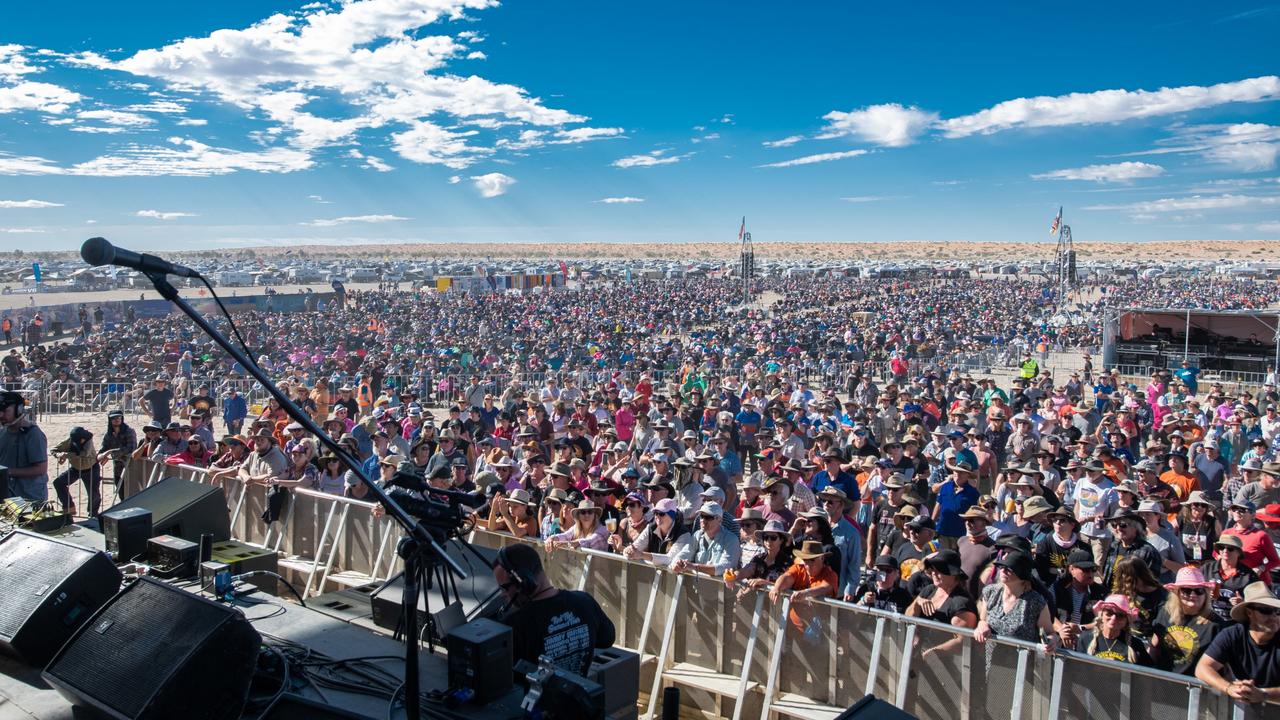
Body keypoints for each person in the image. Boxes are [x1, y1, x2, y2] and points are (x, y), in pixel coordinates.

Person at [493, 543, 616, 677]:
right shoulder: (585, 601)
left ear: (523, 581)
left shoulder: (514, 625)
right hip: (575, 696)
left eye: (505, 587)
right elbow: (607, 639)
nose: (502, 594)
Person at [1196, 581, 1280, 713]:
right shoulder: (1233, 634)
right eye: (1266, 610)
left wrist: (1263, 694)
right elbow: (1203, 668)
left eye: (1277, 611)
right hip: (1243, 711)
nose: (1274, 616)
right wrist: (1229, 688)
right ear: (1249, 613)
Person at [974, 551, 1056, 649]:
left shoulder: (1036, 602)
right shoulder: (990, 592)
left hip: (1022, 660)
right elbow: (983, 620)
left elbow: (1049, 633)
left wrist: (1051, 641)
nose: (1003, 571)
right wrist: (982, 626)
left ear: (1022, 575)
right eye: (1002, 567)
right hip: (991, 657)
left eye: (1009, 568)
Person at [1152, 567, 1221, 675]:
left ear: (1206, 594)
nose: (1193, 595)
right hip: (1163, 680)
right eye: (1186, 590)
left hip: (1195, 686)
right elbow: (1154, 647)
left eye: (1199, 591)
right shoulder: (1165, 613)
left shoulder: (1216, 624)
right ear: (1177, 593)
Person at [769, 540, 838, 633]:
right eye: (805, 560)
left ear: (822, 558)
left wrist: (805, 593)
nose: (808, 565)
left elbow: (824, 587)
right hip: (791, 631)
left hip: (819, 633)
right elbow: (786, 577)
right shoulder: (798, 568)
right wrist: (777, 588)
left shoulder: (830, 574)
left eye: (812, 560)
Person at [1076, 594, 1154, 666]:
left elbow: (1149, 674)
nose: (1113, 618)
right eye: (1109, 613)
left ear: (1126, 621)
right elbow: (1077, 670)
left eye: (1120, 615)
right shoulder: (1086, 638)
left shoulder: (1136, 645)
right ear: (1101, 615)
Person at [0, 391, 47, 502]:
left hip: (29, 498)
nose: (0, 415)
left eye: (5, 411)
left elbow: (41, 469)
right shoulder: (3, 432)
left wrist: (7, 472)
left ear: (19, 410)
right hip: (7, 496)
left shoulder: (33, 434)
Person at [1201, 535, 1260, 622]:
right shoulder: (1206, 569)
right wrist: (1205, 594)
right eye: (1222, 547)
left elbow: (1258, 602)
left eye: (1230, 548)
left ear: (1238, 553)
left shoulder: (1249, 575)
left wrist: (1243, 603)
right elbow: (1193, 591)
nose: (1225, 550)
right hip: (1208, 620)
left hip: (1235, 623)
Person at [673, 501, 742, 575]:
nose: (703, 520)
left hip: (719, 586)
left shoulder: (731, 539)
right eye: (701, 516)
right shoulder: (697, 535)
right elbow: (684, 554)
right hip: (697, 584)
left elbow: (726, 568)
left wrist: (694, 567)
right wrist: (677, 563)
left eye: (708, 517)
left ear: (719, 520)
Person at [52, 426, 101, 517]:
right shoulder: (71, 441)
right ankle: (69, 507)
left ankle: (93, 514)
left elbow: (85, 454)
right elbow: (54, 450)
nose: (81, 441)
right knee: (58, 483)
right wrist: (60, 455)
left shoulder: (88, 440)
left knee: (93, 493)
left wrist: (67, 455)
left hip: (91, 469)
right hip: (76, 469)